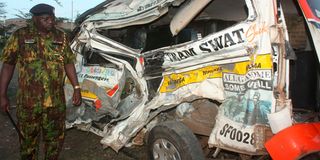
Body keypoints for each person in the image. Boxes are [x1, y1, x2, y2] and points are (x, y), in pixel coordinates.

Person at [0, 3, 81, 160]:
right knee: (28, 141)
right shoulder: (19, 36)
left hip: (55, 102)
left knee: (55, 140)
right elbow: (8, 66)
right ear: (35, 19)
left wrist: (76, 87)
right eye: (45, 19)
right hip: (29, 103)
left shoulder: (61, 37)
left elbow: (68, 63)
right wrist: (2, 94)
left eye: (52, 18)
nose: (51, 21)